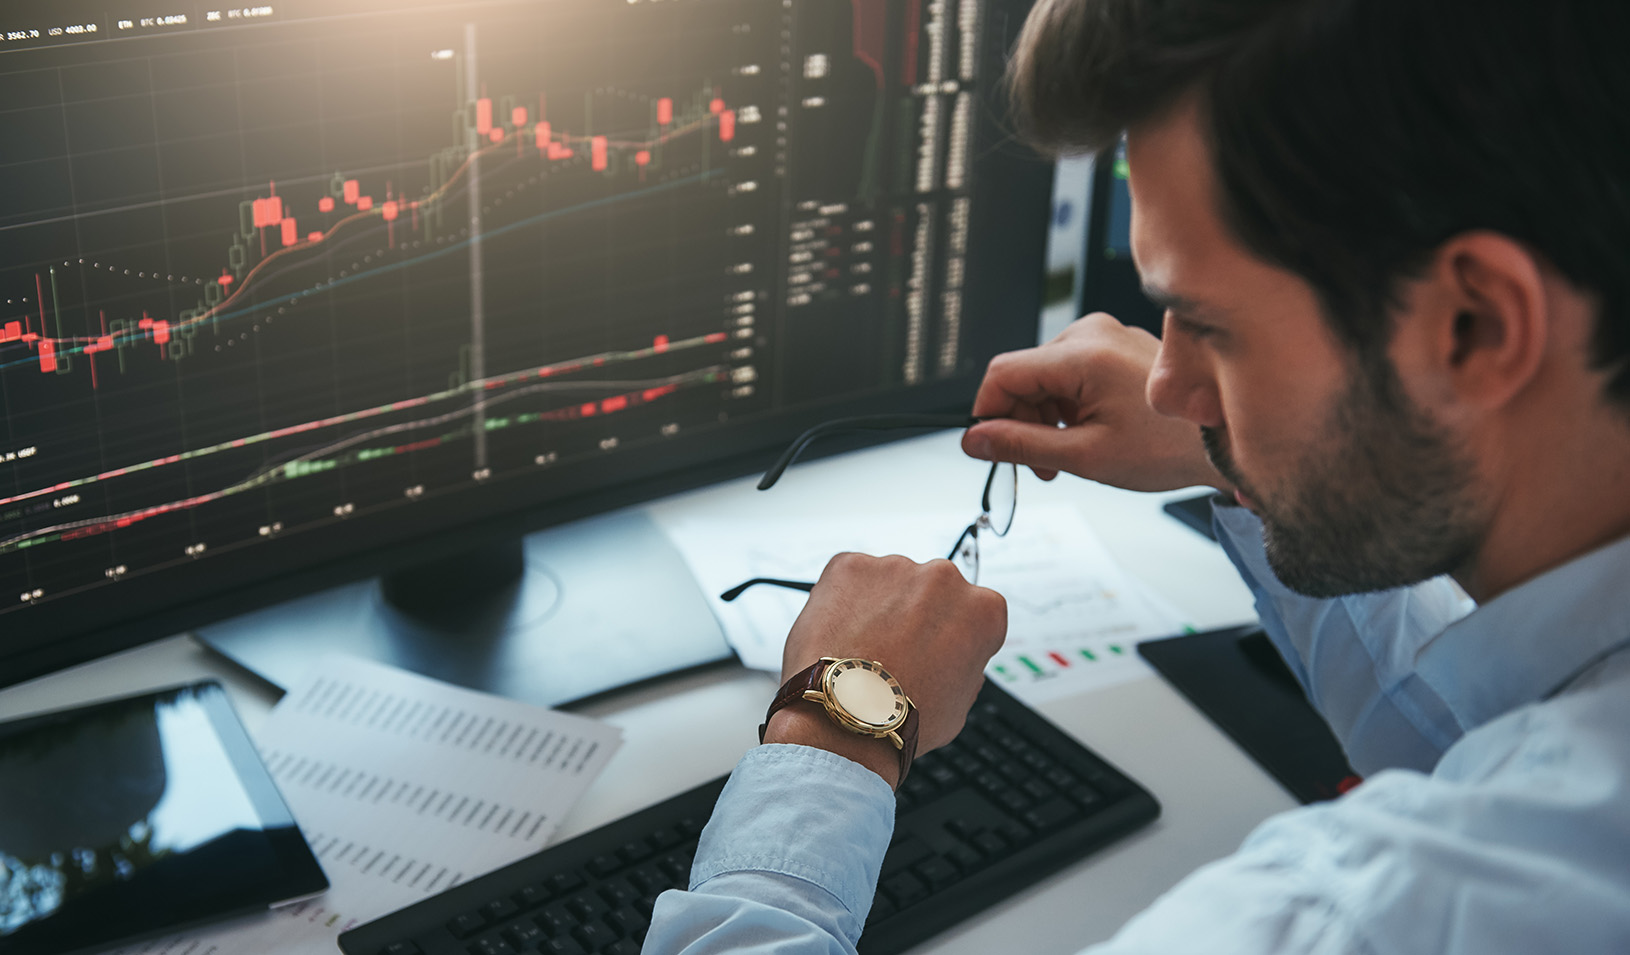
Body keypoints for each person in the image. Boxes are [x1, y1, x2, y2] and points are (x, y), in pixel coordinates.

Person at [644, 0, 1630, 950]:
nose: (1168, 387)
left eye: (1207, 324)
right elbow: (1457, 736)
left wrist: (839, 716)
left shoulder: (1360, 915)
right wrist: (1240, 451)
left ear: (1476, 327)